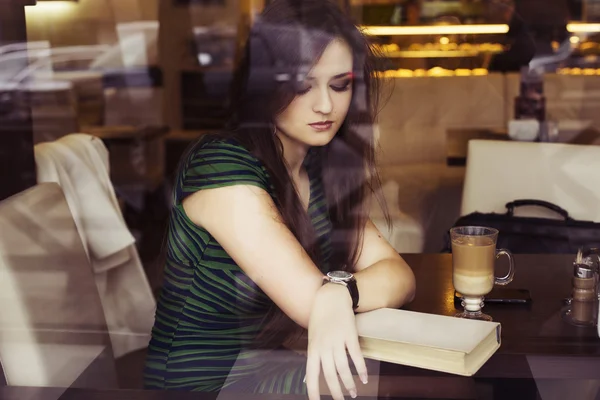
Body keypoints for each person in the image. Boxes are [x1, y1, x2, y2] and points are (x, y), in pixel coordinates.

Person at [143, 0, 416, 398]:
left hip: (273, 365)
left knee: (425, 382)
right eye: (303, 85)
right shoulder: (221, 166)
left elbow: (399, 274)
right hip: (207, 387)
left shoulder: (318, 167)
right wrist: (331, 294)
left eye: (340, 85)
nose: (326, 105)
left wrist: (341, 290)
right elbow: (311, 308)